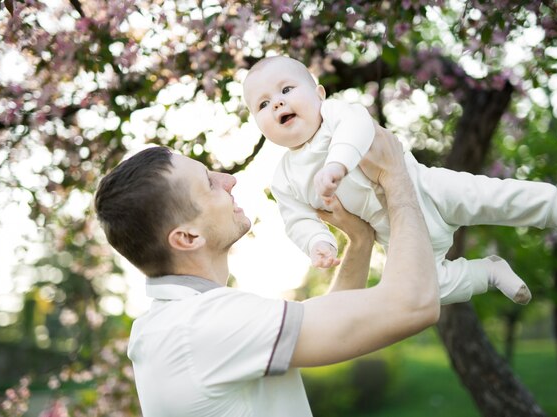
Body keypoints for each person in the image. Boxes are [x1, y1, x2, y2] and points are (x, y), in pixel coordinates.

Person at [93, 125, 440, 417]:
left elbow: (334, 324)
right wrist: (396, 178)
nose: (228, 180)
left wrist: (360, 241)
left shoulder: (177, 322)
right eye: (209, 183)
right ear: (187, 237)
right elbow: (413, 305)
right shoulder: (202, 324)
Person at [242, 55, 557, 305]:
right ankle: (487, 274)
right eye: (262, 104)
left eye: (286, 89)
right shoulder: (284, 178)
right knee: (420, 288)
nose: (276, 103)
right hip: (393, 231)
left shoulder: (335, 114)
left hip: (427, 188)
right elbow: (297, 219)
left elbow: (358, 128)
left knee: (494, 196)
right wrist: (318, 243)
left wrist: (337, 165)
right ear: (258, 123)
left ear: (319, 94)